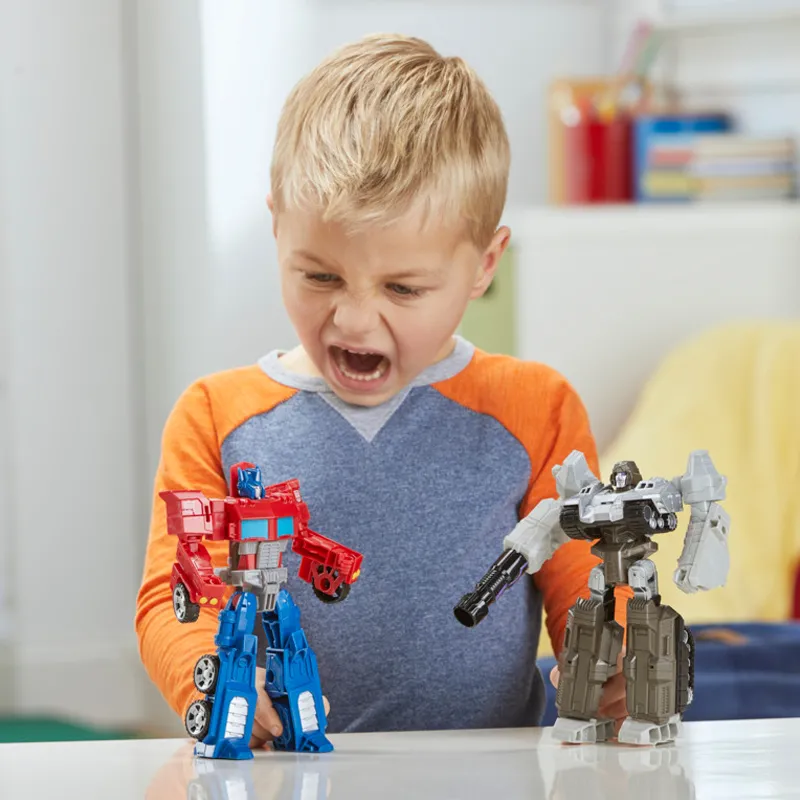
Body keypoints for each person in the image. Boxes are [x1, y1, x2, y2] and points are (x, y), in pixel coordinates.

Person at [135, 33, 626, 751]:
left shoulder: (535, 408)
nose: (354, 319)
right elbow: (174, 597)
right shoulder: (216, 416)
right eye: (320, 276)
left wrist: (613, 659)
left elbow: (588, 580)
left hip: (493, 777)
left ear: (484, 264)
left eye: (403, 288)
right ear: (277, 227)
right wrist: (208, 680)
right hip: (284, 776)